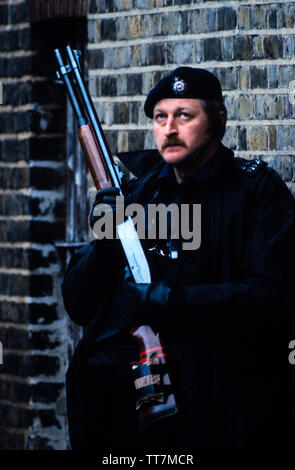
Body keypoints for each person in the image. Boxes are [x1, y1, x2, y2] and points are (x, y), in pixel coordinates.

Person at [62, 67, 295, 449]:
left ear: (217, 121)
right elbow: (80, 303)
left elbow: (272, 298)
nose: (169, 128)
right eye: (160, 117)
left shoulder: (256, 191)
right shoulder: (140, 195)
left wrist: (172, 300)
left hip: (228, 411)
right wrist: (107, 243)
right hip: (147, 410)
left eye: (184, 115)